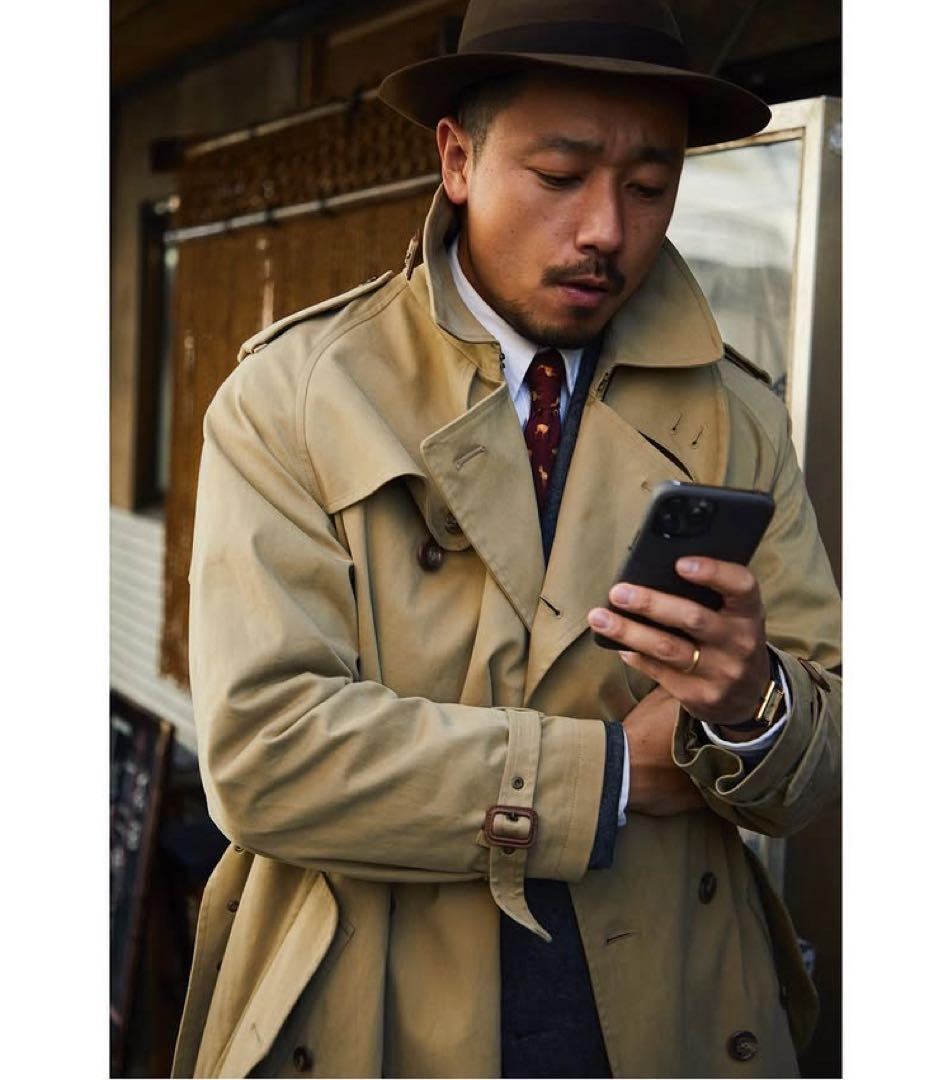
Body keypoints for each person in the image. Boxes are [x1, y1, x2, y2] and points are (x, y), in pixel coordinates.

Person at [172, 1, 841, 1077]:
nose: (605, 230)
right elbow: (264, 756)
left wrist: (752, 704)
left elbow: (831, 744)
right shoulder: (295, 397)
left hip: (667, 999)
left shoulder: (739, 416)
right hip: (373, 1004)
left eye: (649, 186)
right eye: (560, 174)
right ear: (457, 160)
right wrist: (609, 772)